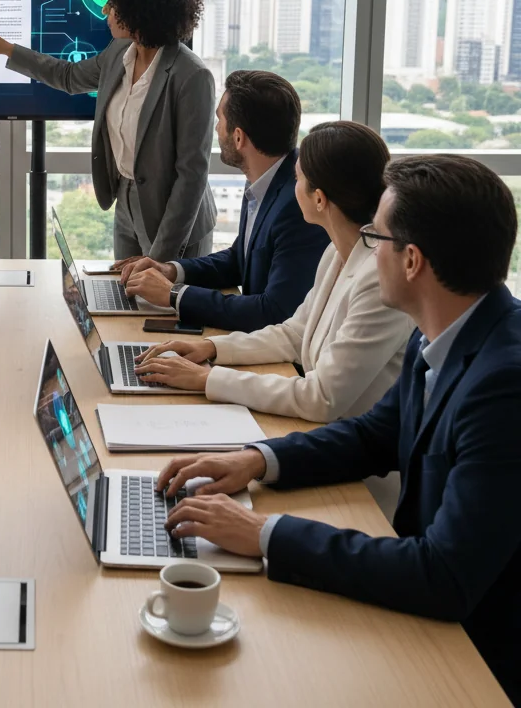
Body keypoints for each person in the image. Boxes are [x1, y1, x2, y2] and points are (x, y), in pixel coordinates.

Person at [155, 156, 521, 705]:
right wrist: (255, 460)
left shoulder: (505, 385)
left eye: (378, 236)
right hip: (431, 615)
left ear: (413, 261)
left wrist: (264, 534)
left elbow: (444, 575)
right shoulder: (444, 332)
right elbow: (373, 435)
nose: (367, 247)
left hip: (476, 663)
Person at [135, 121, 413, 425]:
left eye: (297, 178)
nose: (291, 189)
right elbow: (294, 333)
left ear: (319, 199)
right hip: (320, 431)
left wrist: (208, 379)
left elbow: (321, 397)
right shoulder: (338, 252)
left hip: (359, 463)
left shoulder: (377, 278)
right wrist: (210, 348)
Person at [0, 0, 216, 261]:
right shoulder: (118, 52)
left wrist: (160, 259)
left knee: (165, 306)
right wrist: (6, 49)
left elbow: (191, 178)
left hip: (176, 220)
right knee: (125, 303)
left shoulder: (192, 76)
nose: (104, 10)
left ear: (141, 8)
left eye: (113, 2)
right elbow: (67, 76)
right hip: (126, 203)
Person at [118, 70, 329, 330]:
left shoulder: (297, 204)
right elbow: (239, 259)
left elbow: (275, 311)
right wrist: (172, 271)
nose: (216, 128)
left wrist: (174, 295)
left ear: (239, 137)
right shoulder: (265, 180)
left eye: (219, 119)